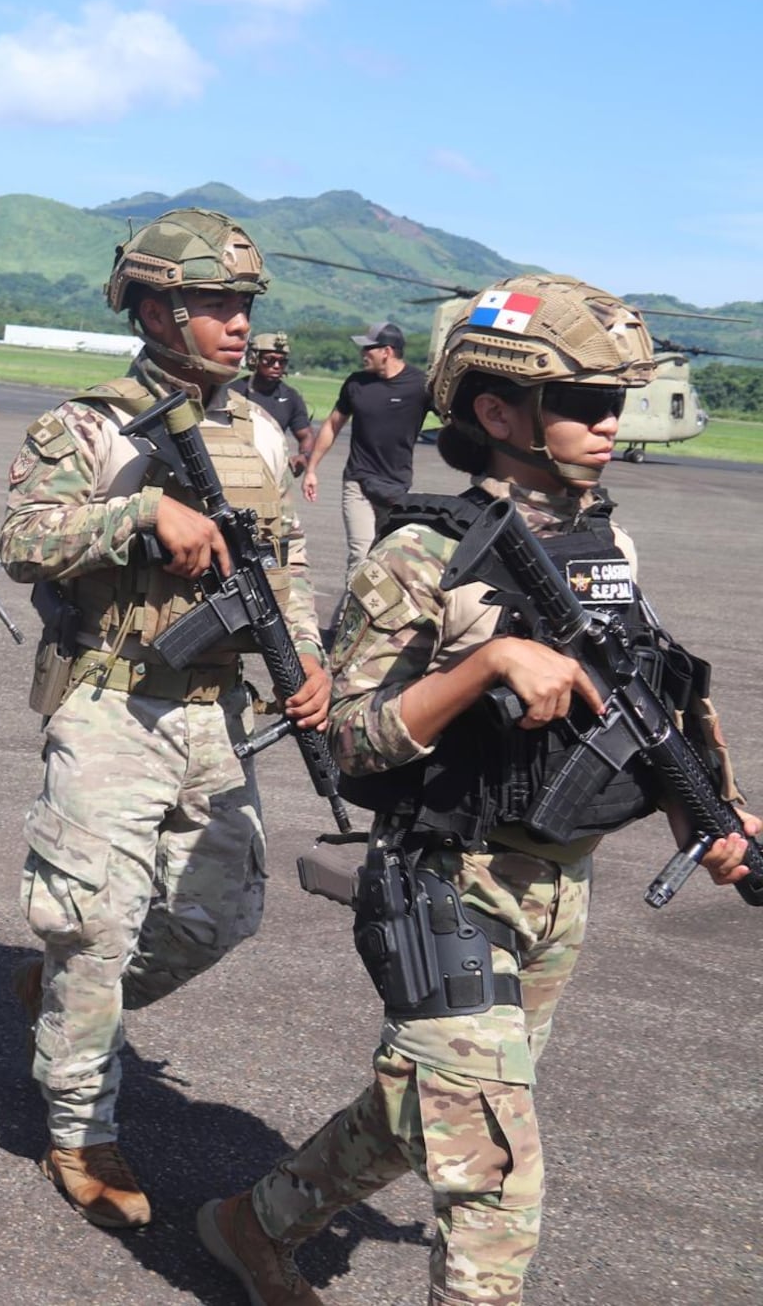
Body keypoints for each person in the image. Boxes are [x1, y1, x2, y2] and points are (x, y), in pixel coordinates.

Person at [196, 274, 759, 1306]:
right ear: (500, 412)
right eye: (583, 402)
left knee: (422, 1109)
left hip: (556, 889)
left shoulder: (605, 543)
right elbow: (350, 745)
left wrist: (703, 804)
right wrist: (483, 667)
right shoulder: (420, 553)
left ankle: (253, 1220)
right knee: (496, 1170)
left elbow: (632, 696)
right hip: (446, 882)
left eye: (613, 400)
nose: (607, 421)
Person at [1, 209, 330, 1230]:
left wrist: (307, 654)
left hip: (220, 713)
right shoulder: (88, 425)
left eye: (244, 306)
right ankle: (79, 1126)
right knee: (97, 925)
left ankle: (64, 1006)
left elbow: (286, 559)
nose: (239, 324)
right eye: (217, 305)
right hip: (115, 700)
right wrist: (140, 513)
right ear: (154, 307)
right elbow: (22, 538)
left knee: (219, 913)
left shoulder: (263, 427)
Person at [302, 320, 428, 584]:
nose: (363, 354)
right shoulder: (356, 383)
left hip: (397, 485)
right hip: (358, 481)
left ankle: (371, 620)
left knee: (385, 558)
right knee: (360, 555)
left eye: (368, 348)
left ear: (388, 351)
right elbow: (333, 424)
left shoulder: (420, 386)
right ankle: (347, 624)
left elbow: (453, 421)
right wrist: (311, 469)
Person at [229, 332, 315, 475]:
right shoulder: (232, 392)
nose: (276, 366)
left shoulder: (290, 397)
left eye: (282, 362)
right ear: (253, 359)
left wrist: (304, 456)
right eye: (270, 360)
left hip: (272, 471)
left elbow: (306, 435)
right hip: (234, 466)